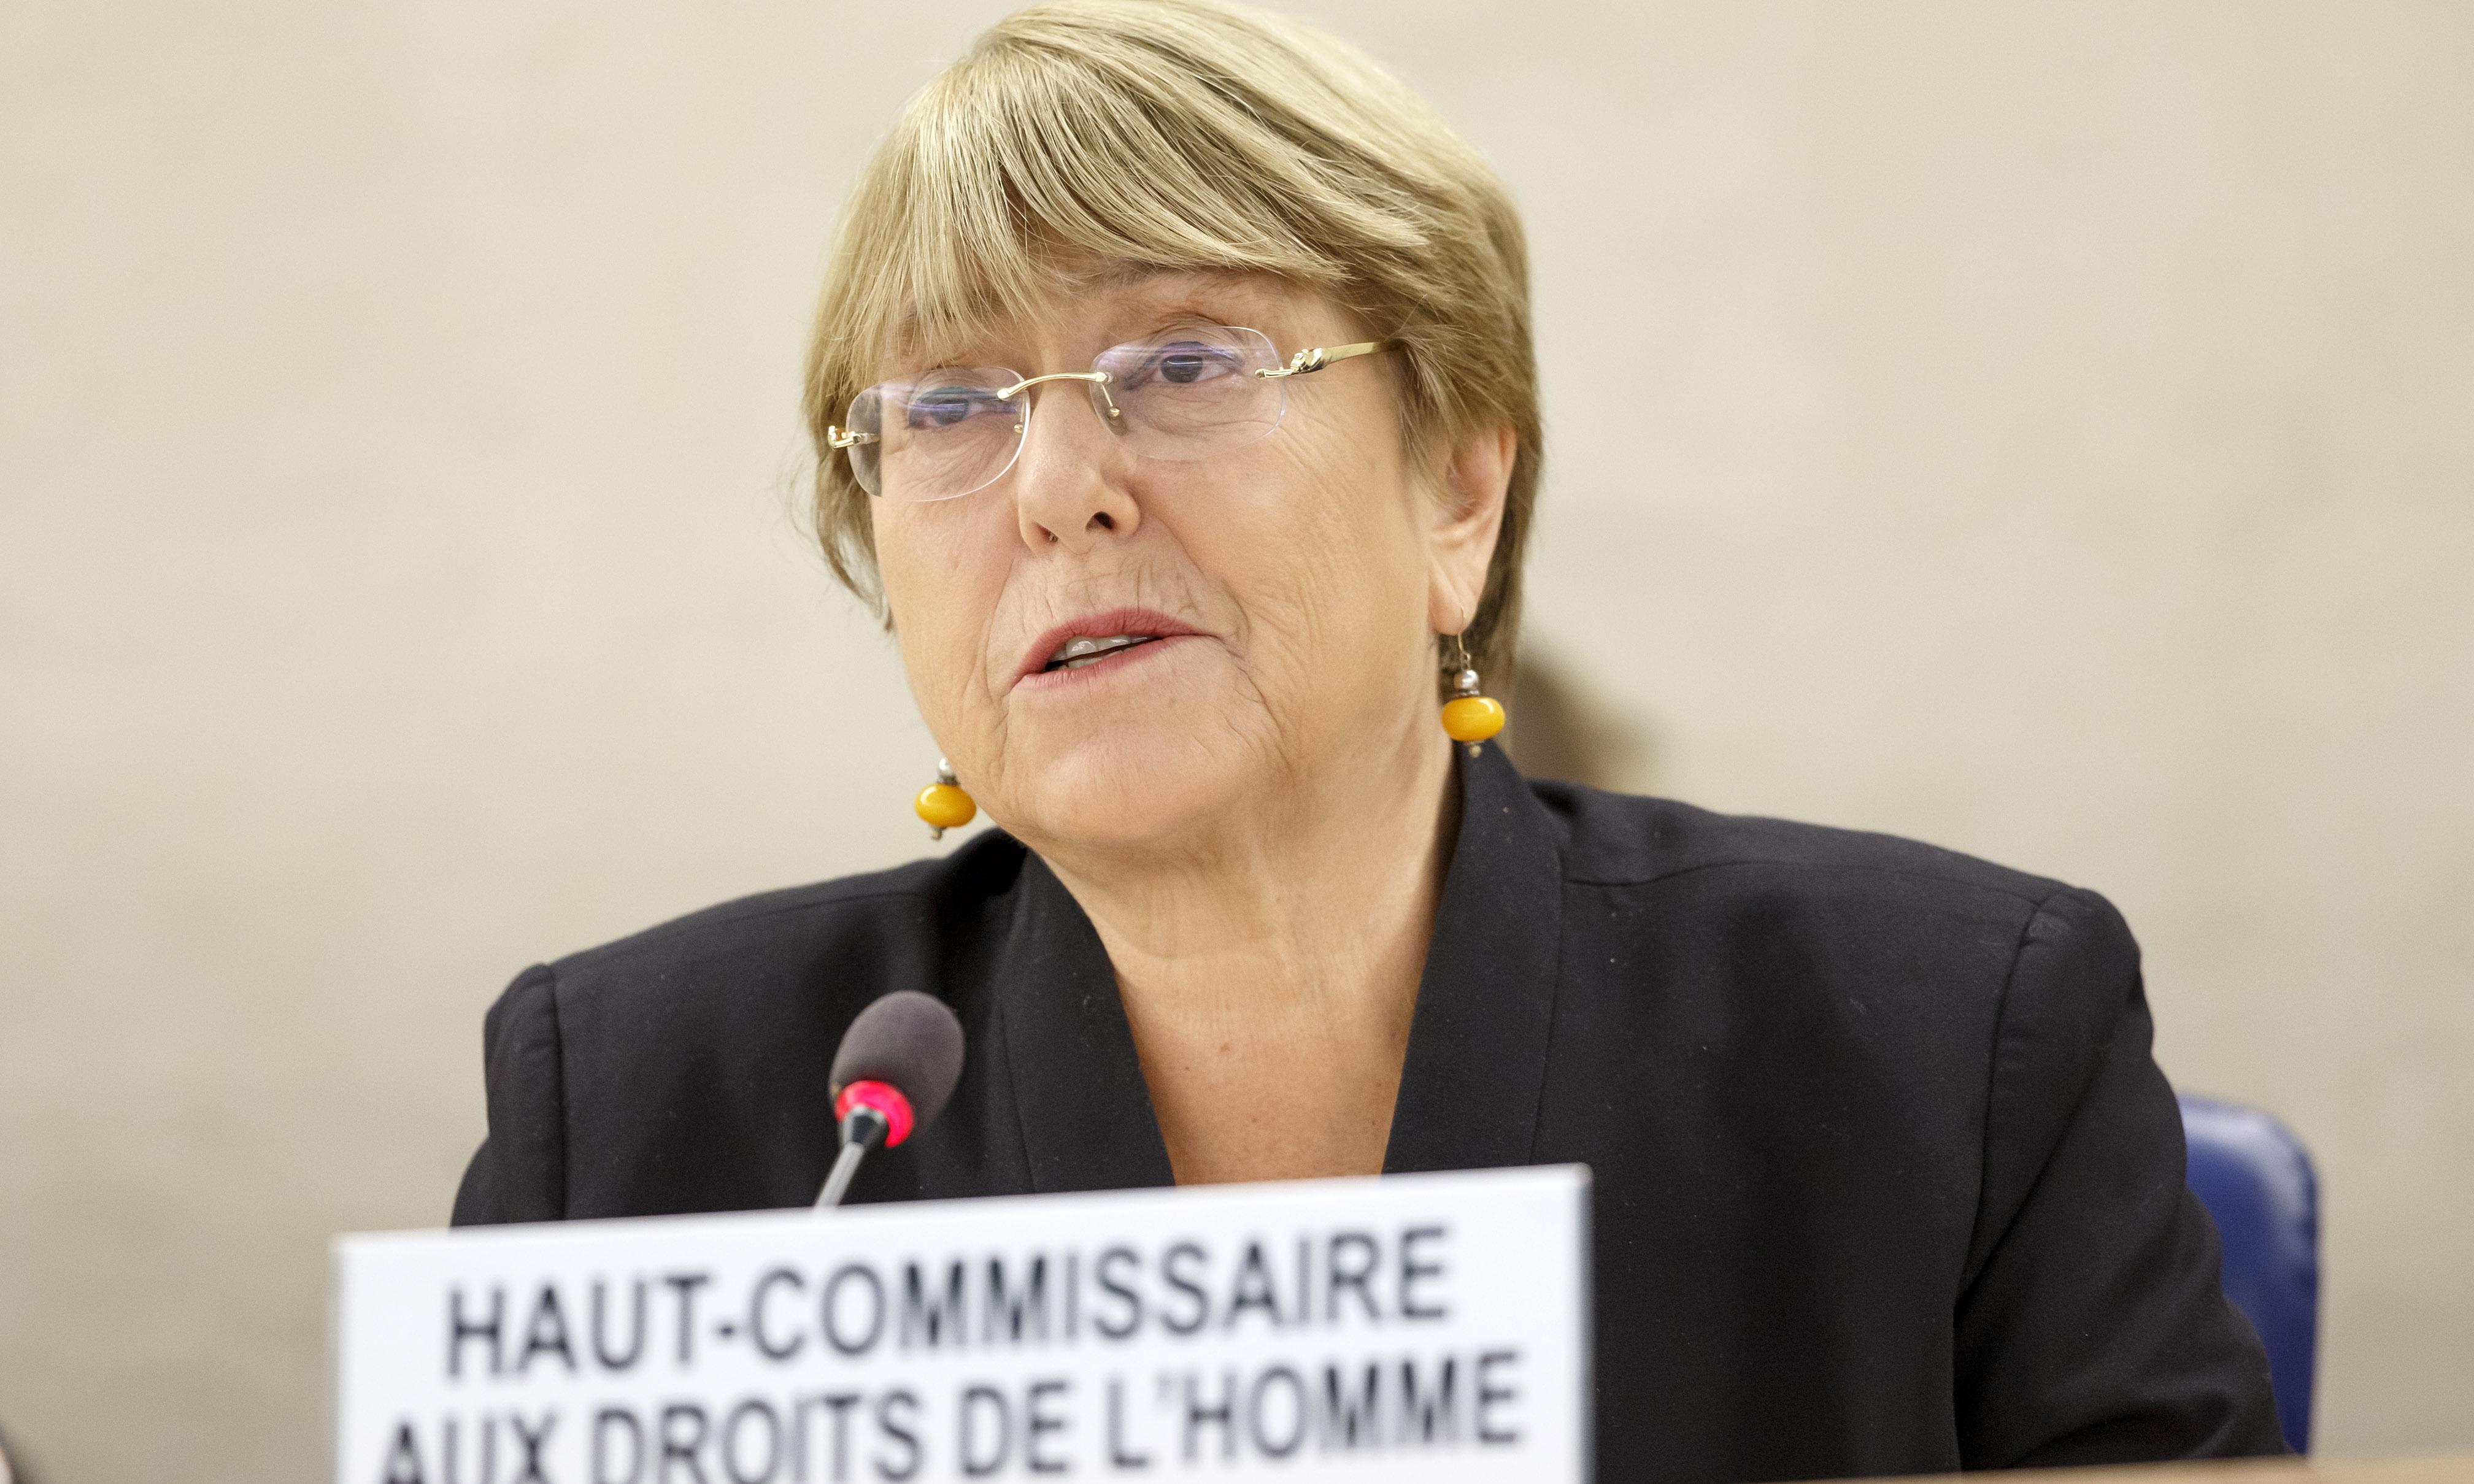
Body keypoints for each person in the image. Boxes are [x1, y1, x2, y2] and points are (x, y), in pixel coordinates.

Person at [451, 1, 2287, 1475]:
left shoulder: (1953, 1044)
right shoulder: (633, 1117)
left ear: (1459, 489)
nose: (1059, 485)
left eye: (1184, 363)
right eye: (946, 405)